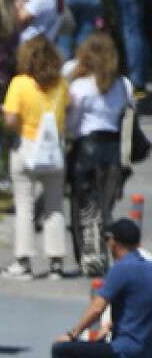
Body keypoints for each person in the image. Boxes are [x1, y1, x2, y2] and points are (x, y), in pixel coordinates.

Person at [5, 35, 71, 278]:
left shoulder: (20, 83)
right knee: (54, 205)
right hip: (53, 149)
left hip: (26, 144)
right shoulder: (61, 84)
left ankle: (23, 261)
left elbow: (11, 118)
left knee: (24, 205)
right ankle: (56, 261)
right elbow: (68, 109)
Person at [68, 34, 133, 276]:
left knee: (87, 207)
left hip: (87, 149)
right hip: (115, 152)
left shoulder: (81, 85)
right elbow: (128, 114)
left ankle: (92, 256)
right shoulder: (123, 84)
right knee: (105, 207)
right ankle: (110, 254)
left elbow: (73, 122)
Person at [54, 219, 152, 357]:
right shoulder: (149, 268)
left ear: (112, 242)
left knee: (61, 349)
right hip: (147, 350)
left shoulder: (121, 269)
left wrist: (73, 334)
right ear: (137, 243)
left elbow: (97, 308)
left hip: (124, 350)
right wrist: (110, 324)